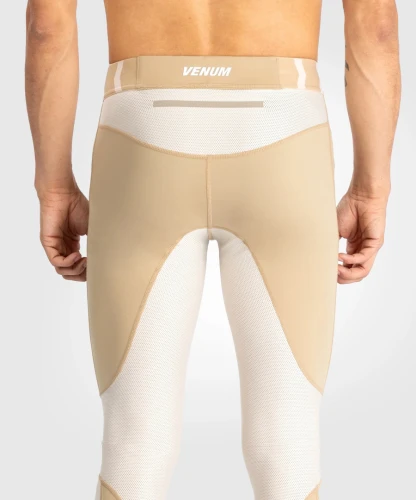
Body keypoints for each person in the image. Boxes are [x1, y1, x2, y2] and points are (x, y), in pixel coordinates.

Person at [25, 0, 401, 498]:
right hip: (284, 130)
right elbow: (376, 26)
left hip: (142, 131)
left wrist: (54, 187)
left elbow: (46, 27)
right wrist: (371, 189)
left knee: (137, 444)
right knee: (287, 445)